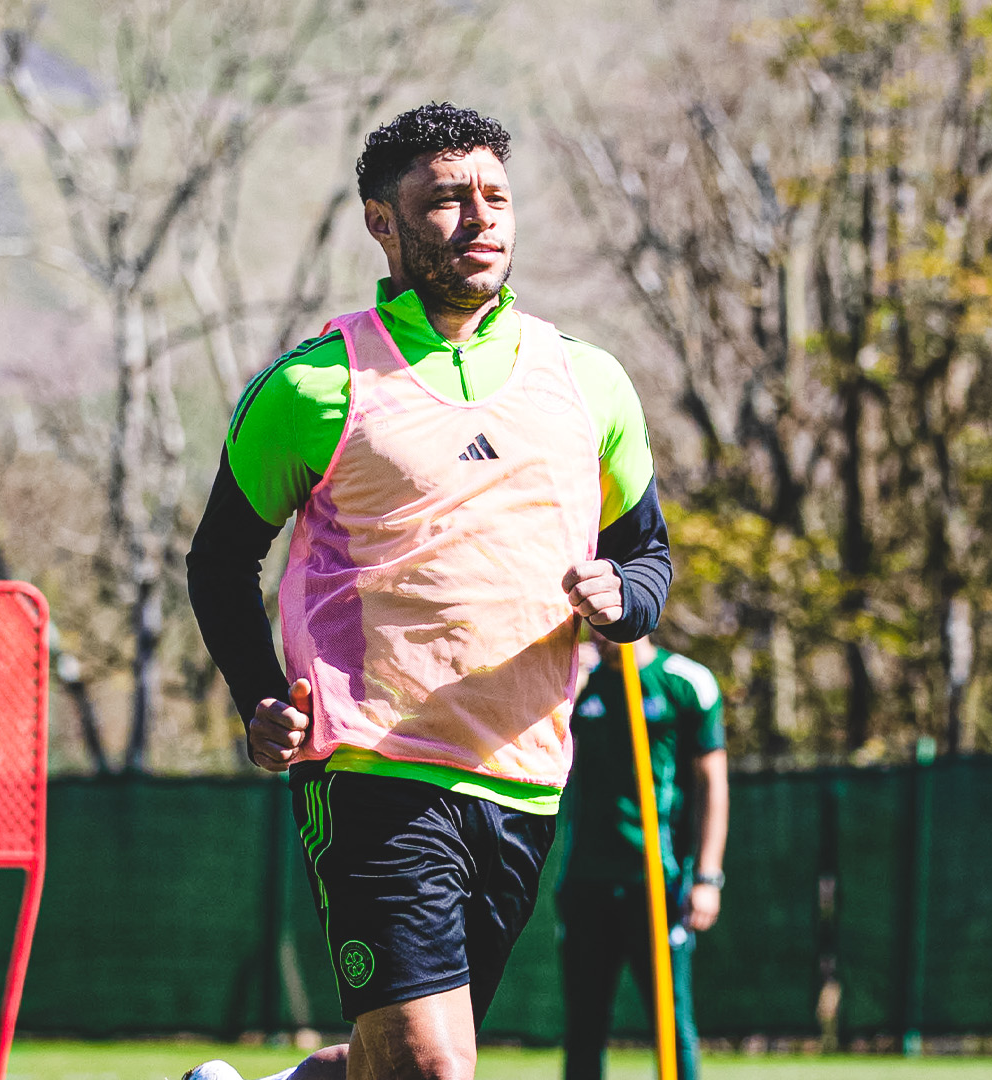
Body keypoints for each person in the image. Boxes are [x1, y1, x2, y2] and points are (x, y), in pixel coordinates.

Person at [183, 102, 671, 1080]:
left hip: (524, 778)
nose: (480, 218)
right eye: (445, 200)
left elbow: (648, 554)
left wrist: (625, 597)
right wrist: (260, 697)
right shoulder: (314, 386)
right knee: (436, 1064)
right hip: (373, 767)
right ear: (382, 221)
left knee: (392, 1060)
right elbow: (219, 561)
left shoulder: (589, 383)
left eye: (495, 196)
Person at [555, 634, 727, 1080]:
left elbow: (713, 783)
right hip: (585, 882)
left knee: (671, 1021)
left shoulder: (685, 682)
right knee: (584, 1027)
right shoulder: (573, 681)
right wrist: (575, 683)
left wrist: (707, 877)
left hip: (655, 880)